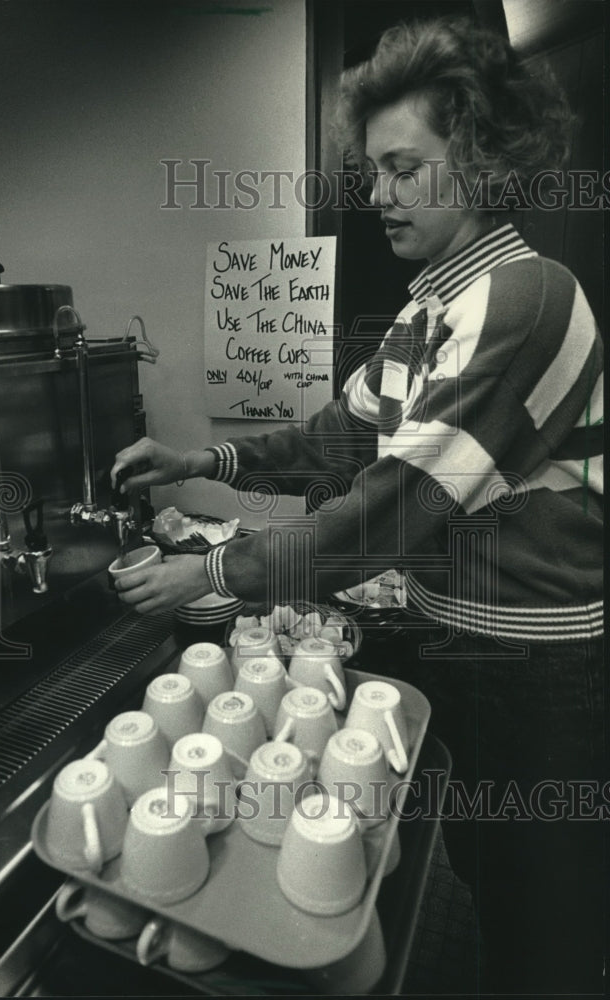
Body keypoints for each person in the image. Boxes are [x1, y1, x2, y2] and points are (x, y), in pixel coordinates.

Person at [110, 16, 604, 993]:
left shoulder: (523, 295)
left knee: (537, 915)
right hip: (460, 645)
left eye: (399, 165)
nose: (373, 192)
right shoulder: (430, 312)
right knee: (481, 872)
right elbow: (330, 443)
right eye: (370, 169)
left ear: (478, 156)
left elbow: (385, 510)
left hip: (538, 667)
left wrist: (205, 573)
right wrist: (193, 457)